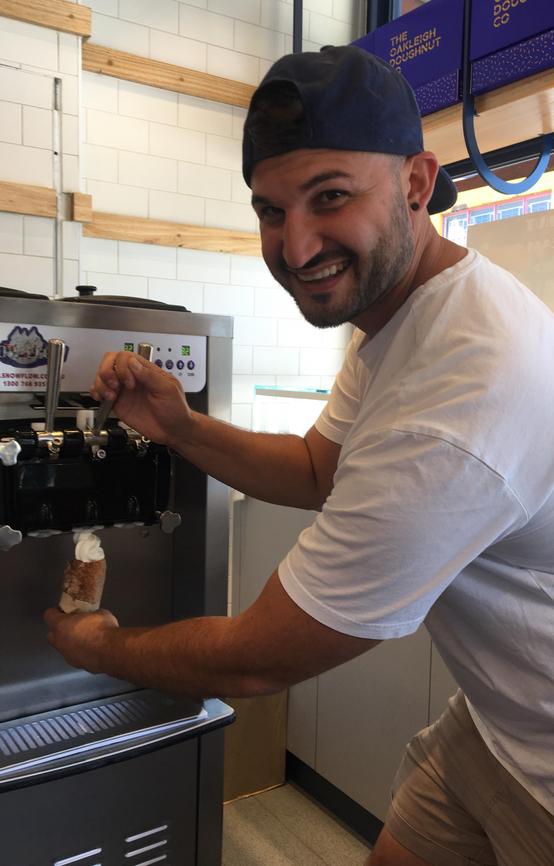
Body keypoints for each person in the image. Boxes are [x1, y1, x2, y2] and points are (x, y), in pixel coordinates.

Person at [44, 46, 554, 865]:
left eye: (331, 197)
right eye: (271, 210)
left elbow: (259, 659)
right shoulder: (402, 314)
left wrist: (98, 648)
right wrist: (179, 427)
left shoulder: (456, 396)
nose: (297, 243)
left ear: (417, 184)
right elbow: (321, 469)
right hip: (501, 717)